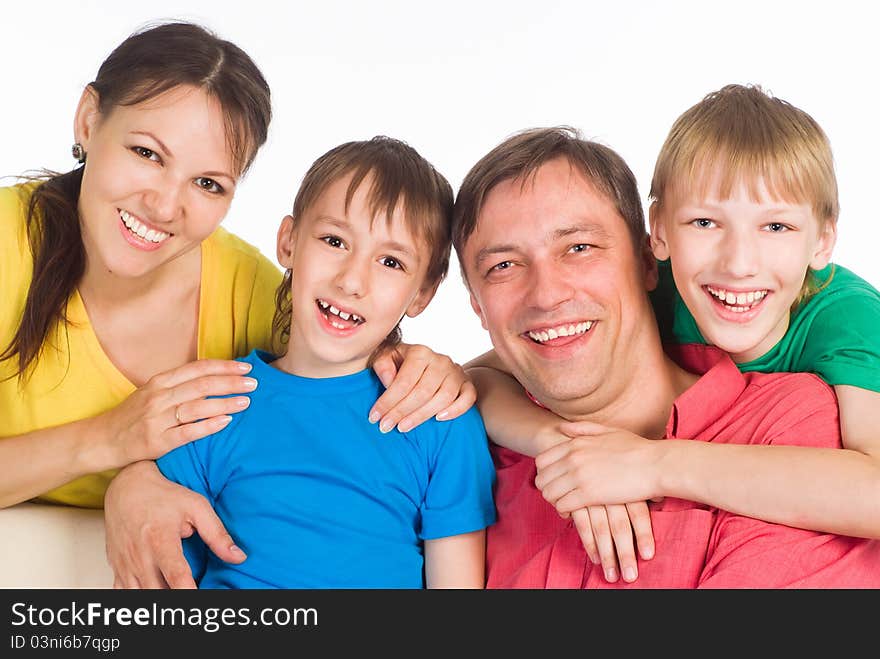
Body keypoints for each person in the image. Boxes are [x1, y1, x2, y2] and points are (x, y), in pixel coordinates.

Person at [0, 21, 477, 589]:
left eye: (208, 183)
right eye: (147, 152)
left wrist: (434, 371)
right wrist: (115, 448)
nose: (163, 205)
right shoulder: (9, 246)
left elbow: (331, 376)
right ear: (88, 119)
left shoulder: (252, 290)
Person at [467, 86, 880, 584]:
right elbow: (481, 375)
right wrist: (561, 445)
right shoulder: (674, 286)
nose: (739, 264)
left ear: (824, 242)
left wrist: (651, 463)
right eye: (705, 222)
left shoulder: (843, 326)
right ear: (658, 238)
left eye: (579, 248)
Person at [155, 136, 496, 588]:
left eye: (391, 262)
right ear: (288, 242)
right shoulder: (213, 402)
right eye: (335, 240)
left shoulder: (439, 421)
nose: (352, 280)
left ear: (423, 293)